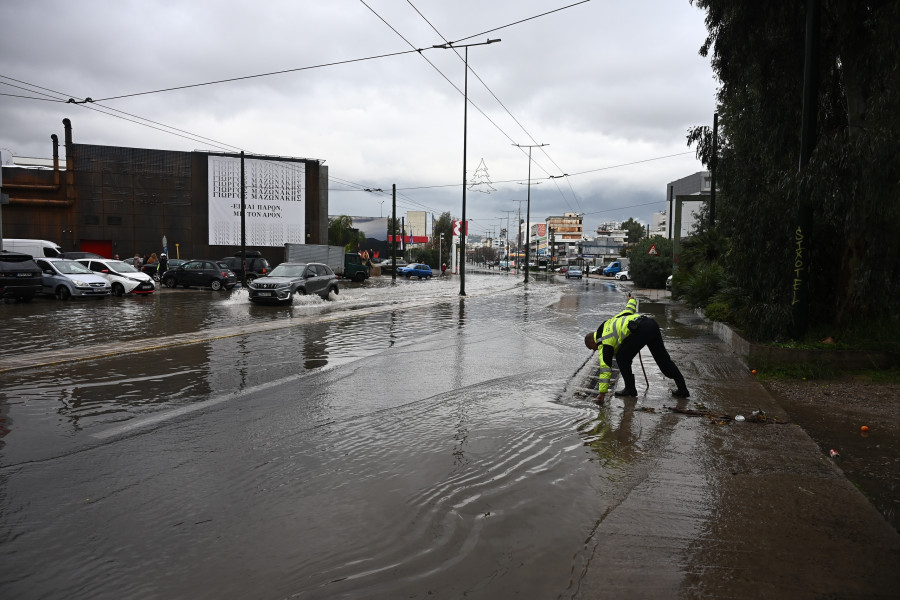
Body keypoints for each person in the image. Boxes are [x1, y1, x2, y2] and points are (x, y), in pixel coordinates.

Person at [584, 294, 690, 403]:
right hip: (650, 324)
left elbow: (605, 368)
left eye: (591, 348)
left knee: (621, 357)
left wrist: (602, 393)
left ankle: (630, 390)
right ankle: (683, 389)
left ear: (592, 341)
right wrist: (631, 300)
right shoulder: (609, 322)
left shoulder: (603, 342)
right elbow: (628, 310)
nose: (594, 350)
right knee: (664, 361)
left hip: (641, 330)